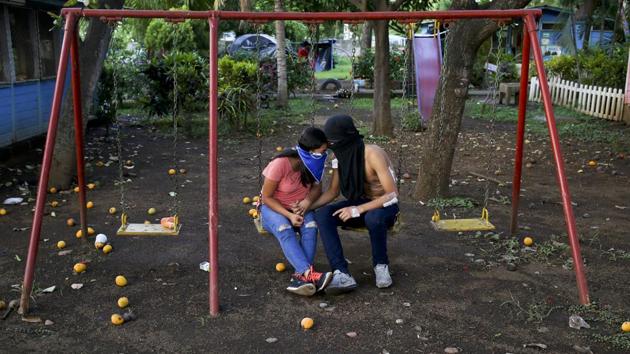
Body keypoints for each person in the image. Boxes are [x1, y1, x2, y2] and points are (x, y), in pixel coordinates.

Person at [311, 115, 399, 295]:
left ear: (347, 138)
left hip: (385, 205)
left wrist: (358, 209)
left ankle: (381, 266)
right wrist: (306, 207)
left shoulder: (372, 154)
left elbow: (392, 194)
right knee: (323, 215)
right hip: (361, 202)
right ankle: (341, 273)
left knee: (373, 217)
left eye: (334, 141)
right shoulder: (340, 157)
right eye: (329, 143)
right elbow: (332, 192)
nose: (331, 146)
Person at [260, 127, 333, 296]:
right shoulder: (280, 164)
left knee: (311, 227)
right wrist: (289, 215)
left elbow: (316, 189)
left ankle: (300, 277)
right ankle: (308, 274)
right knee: (284, 229)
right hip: (273, 208)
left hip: (300, 207)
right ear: (309, 151)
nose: (323, 154)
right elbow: (267, 198)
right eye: (321, 151)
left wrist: (306, 202)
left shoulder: (314, 164)